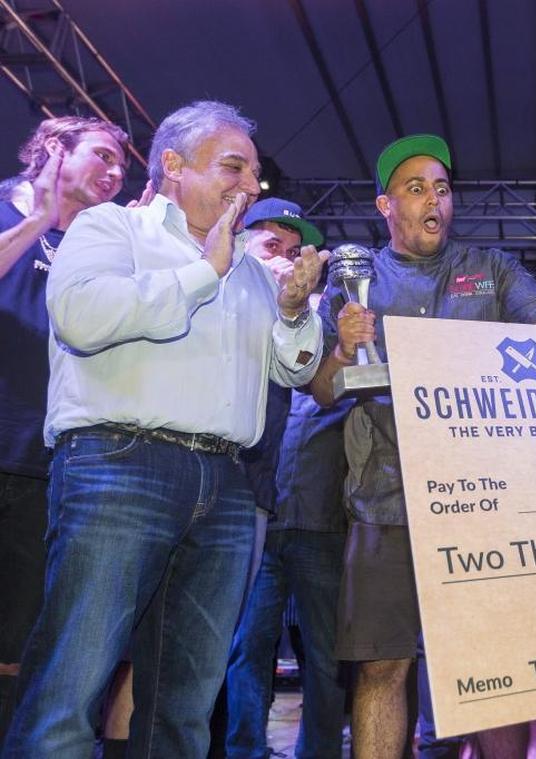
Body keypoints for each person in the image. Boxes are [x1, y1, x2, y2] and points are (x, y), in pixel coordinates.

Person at [2, 100, 326, 759]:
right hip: (118, 463)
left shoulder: (249, 270)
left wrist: (294, 315)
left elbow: (292, 370)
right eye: (233, 167)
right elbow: (82, 316)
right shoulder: (112, 230)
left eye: (254, 174)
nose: (249, 185)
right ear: (173, 166)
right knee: (70, 687)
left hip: (227, 486)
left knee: (184, 705)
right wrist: (202, 270)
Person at [307, 133, 536, 759]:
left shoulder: (490, 269)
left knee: (496, 674)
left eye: (441, 188)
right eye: (416, 189)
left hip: (487, 506)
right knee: (382, 670)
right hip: (384, 503)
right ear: (386, 206)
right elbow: (324, 391)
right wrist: (342, 348)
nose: (433, 200)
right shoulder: (352, 284)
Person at [0, 116, 128, 743]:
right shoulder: (3, 206)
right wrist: (37, 219)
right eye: (103, 155)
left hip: (44, 464)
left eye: (123, 167)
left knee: (19, 643)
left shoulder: (97, 246)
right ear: (55, 149)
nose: (114, 173)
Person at [222, 197, 352, 759]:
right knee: (245, 647)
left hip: (321, 516)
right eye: (273, 245)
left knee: (325, 656)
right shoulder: (234, 309)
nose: (288, 260)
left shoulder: (333, 321)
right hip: (253, 511)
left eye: (297, 251)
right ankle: (243, 748)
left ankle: (319, 752)